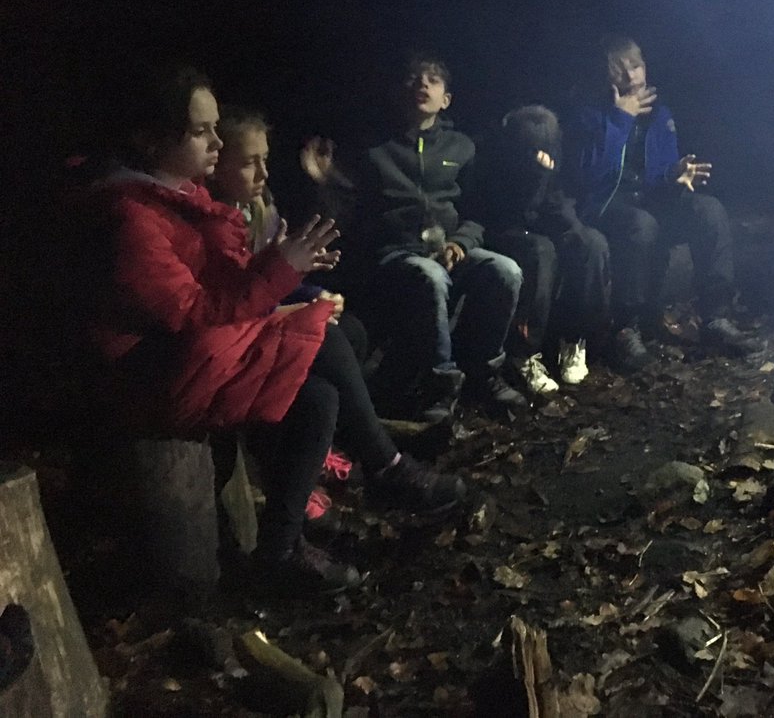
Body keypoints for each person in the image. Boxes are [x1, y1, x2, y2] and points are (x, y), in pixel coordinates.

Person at [87, 65, 360, 595]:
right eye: (199, 130)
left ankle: (284, 542)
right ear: (150, 138)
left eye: (215, 128)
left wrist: (285, 266)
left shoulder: (184, 202)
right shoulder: (132, 216)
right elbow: (194, 313)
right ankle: (375, 476)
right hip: (158, 381)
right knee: (319, 342)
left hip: (198, 359)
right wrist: (284, 274)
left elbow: (228, 290)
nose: (216, 140)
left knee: (318, 393)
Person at [209, 106, 466, 531]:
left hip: (255, 327)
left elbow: (273, 278)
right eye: (249, 162)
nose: (262, 173)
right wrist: (299, 307)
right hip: (231, 347)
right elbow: (235, 301)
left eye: (265, 160)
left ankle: (345, 447)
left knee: (351, 333)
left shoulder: (259, 209)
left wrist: (314, 294)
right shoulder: (218, 220)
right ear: (218, 166)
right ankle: (384, 463)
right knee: (328, 342)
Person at [300, 55, 527, 420]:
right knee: (430, 276)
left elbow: (477, 211)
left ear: (446, 99)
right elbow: (349, 211)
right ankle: (441, 384)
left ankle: (485, 372)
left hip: (452, 249)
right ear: (398, 94)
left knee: (506, 270)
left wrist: (462, 243)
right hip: (398, 254)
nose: (422, 84)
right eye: (413, 79)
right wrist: (325, 183)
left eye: (433, 80)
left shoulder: (462, 147)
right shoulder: (373, 150)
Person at [563, 36, 760, 371]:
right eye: (620, 70)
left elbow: (659, 176)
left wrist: (675, 175)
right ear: (608, 78)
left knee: (709, 210)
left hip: (652, 201)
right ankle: (627, 328)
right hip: (606, 207)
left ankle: (715, 318)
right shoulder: (589, 116)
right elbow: (588, 176)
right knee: (642, 225)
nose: (631, 76)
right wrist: (619, 118)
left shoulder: (659, 115)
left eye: (636, 66)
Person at [466, 105, 610, 393]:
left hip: (543, 223)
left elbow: (559, 203)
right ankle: (524, 353)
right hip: (504, 228)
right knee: (541, 252)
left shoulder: (557, 155)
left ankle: (574, 339)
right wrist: (536, 175)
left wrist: (573, 229)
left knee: (591, 243)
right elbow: (508, 210)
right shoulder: (495, 156)